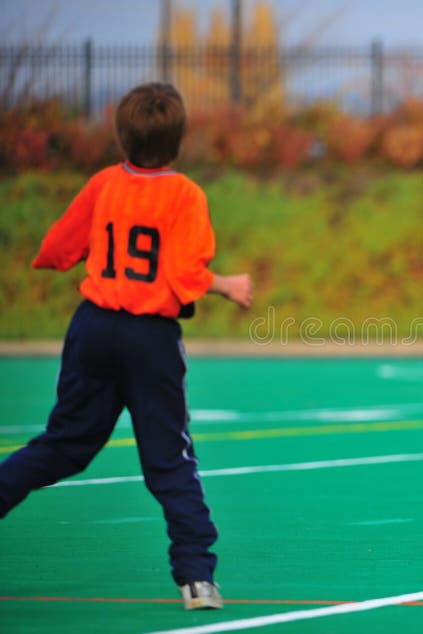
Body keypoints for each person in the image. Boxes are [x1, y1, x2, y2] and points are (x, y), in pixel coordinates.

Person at [0, 83, 253, 610]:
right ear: (179, 140)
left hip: (92, 327)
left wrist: (56, 262)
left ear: (120, 137)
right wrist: (227, 284)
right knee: (169, 458)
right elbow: (184, 272)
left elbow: (57, 248)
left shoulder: (103, 185)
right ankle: (197, 578)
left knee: (64, 444)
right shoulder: (185, 194)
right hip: (149, 337)